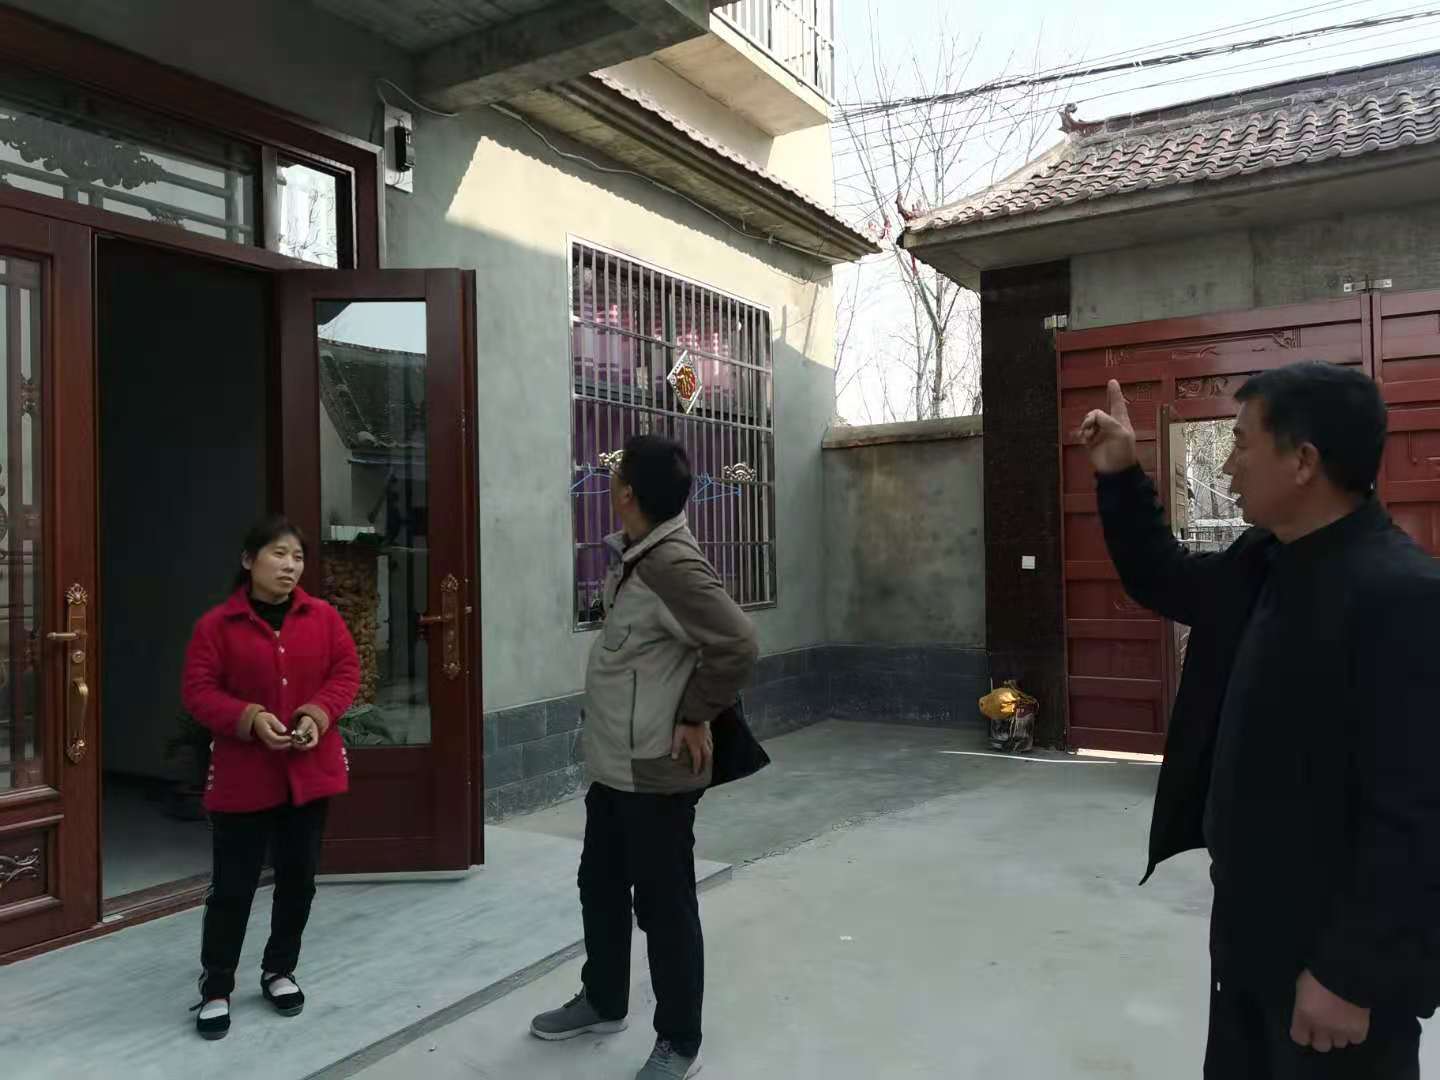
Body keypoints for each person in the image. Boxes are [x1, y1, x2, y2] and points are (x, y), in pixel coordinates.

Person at [1081, 361, 1440, 1078]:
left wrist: (1351, 973)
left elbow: (1417, 813)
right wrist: (1120, 473)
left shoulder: (1400, 596)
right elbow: (1165, 577)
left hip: (1330, 972)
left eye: (1242, 444)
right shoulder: (1267, 560)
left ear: (1303, 461)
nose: (1228, 466)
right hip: (1249, 932)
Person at [530, 435, 759, 1080]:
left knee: (664, 906)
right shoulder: (640, 553)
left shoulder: (672, 564)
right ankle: (604, 1001)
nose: (608, 481)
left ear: (626, 492)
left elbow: (738, 642)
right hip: (615, 767)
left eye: (615, 474)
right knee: (599, 885)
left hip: (655, 771)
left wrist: (695, 712)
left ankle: (678, 1040)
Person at [181, 516, 360, 1040]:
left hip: (308, 772)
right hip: (244, 778)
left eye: (297, 557)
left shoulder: (323, 617)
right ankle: (217, 985)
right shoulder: (217, 626)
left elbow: (346, 673)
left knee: (298, 880)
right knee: (233, 886)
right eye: (278, 554)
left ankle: (279, 969)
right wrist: (251, 718)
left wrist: (316, 715)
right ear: (248, 560)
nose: (290, 566)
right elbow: (198, 692)